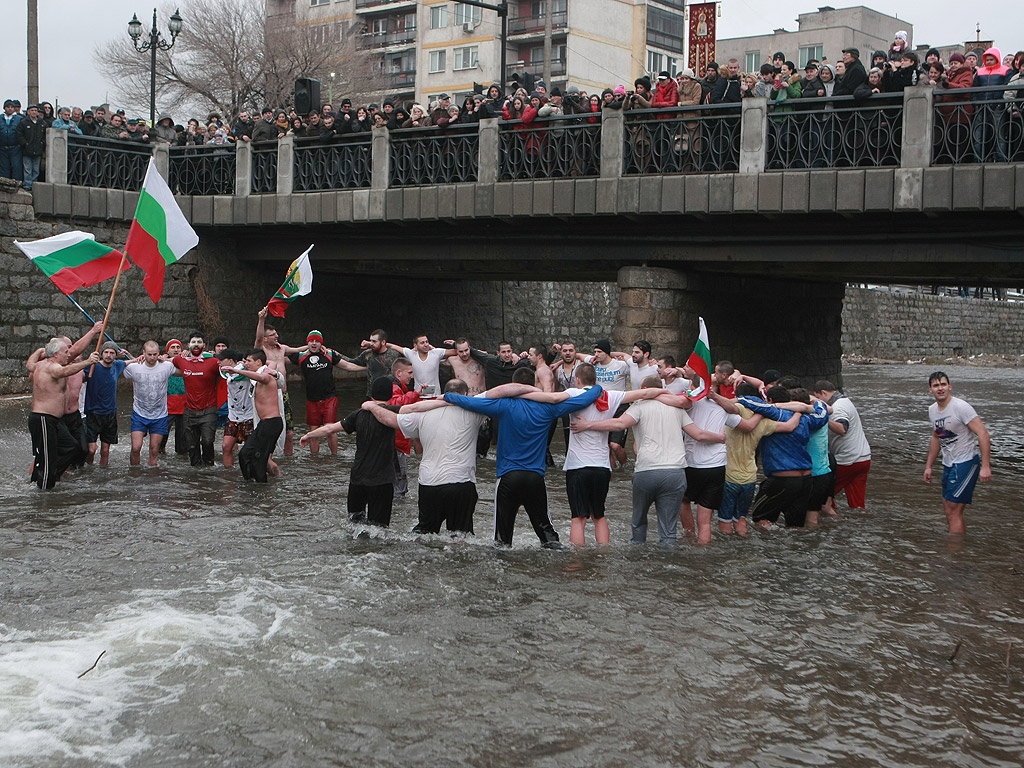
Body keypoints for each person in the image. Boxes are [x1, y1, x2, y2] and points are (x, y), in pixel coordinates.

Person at [444, 369, 605, 548]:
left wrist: (448, 397)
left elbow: (469, 402)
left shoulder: (503, 405)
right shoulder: (548, 408)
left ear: (514, 385)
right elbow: (580, 400)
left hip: (508, 477)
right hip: (535, 478)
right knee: (548, 534)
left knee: (502, 540)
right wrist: (596, 389)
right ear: (534, 385)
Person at [572, 375, 725, 546]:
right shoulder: (678, 410)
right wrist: (720, 437)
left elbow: (619, 424)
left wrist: (588, 425)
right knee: (668, 533)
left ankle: (637, 561)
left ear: (644, 391)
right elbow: (699, 434)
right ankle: (667, 565)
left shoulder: (639, 407)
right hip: (675, 473)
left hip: (647, 472)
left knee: (638, 522)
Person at [561, 364, 679, 546]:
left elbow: (550, 399)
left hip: (577, 466)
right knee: (599, 516)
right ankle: (604, 554)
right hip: (602, 467)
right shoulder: (610, 396)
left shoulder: (574, 394)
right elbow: (644, 394)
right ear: (596, 380)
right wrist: (669, 394)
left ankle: (578, 562)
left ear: (578, 380)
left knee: (579, 518)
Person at [362, 379, 487, 535]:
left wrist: (373, 407)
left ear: (443, 394)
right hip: (461, 482)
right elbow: (501, 394)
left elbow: (389, 419)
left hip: (429, 484)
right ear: (466, 394)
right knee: (460, 536)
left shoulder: (424, 413)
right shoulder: (474, 411)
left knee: (425, 533)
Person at [302, 377, 402, 526]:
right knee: (379, 529)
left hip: (357, 479)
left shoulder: (358, 414)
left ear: (371, 394)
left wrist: (308, 435)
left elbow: (330, 428)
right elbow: (415, 410)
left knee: (354, 525)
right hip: (382, 481)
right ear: (391, 395)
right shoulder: (392, 413)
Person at [923, 371, 992, 534]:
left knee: (954, 511)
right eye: (936, 385)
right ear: (930, 390)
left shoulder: (961, 407)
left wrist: (986, 466)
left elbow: (983, 433)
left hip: (966, 463)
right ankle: (957, 549)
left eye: (943, 384)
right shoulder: (932, 410)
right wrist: (929, 466)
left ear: (949, 386)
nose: (940, 388)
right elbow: (936, 437)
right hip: (949, 463)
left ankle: (954, 554)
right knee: (948, 508)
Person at [28, 339, 100, 489]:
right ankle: (44, 491)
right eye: (66, 352)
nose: (69, 354)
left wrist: (38, 350)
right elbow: (64, 371)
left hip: (53, 420)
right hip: (43, 418)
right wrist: (88, 362)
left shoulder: (39, 365)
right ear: (55, 354)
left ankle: (45, 477)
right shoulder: (52, 367)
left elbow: (29, 364)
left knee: (72, 446)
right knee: (48, 458)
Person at [289, 330, 364, 455]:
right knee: (313, 430)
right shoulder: (300, 356)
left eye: (317, 341)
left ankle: (334, 456)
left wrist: (368, 367)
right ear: (307, 343)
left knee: (330, 428)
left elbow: (348, 366)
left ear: (321, 343)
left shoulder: (329, 354)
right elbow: (280, 355)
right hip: (312, 399)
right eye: (311, 341)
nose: (314, 344)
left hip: (329, 397)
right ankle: (315, 459)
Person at [255, 307, 307, 455]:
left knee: (289, 433)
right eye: (272, 335)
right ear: (265, 339)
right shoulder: (261, 350)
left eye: (276, 333)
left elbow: (298, 350)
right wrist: (261, 319)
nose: (276, 336)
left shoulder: (281, 348)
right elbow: (258, 338)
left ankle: (287, 460)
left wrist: (314, 344)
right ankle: (267, 456)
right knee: (269, 431)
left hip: (284, 394)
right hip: (269, 396)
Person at [229, 349, 285, 483]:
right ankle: (252, 482)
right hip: (265, 423)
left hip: (271, 423)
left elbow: (263, 377)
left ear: (258, 362)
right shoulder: (261, 372)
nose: (246, 364)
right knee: (246, 455)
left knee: (258, 459)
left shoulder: (266, 375)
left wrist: (237, 371)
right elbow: (267, 364)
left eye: (249, 361)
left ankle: (260, 487)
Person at [813, 380, 871, 509]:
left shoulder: (838, 408)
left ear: (823, 393)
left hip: (847, 460)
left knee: (822, 494)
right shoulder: (846, 401)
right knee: (858, 505)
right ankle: (857, 524)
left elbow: (842, 429)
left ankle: (829, 521)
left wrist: (822, 416)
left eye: (818, 398)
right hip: (864, 458)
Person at [122, 341, 177, 466]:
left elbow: (185, 366)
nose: (152, 358)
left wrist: (168, 359)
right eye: (149, 354)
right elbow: (114, 368)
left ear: (159, 353)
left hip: (160, 415)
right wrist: (133, 360)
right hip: (139, 413)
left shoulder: (166, 366)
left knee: (154, 450)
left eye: (155, 354)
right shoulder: (134, 367)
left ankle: (152, 479)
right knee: (136, 448)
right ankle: (135, 474)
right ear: (143, 353)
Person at [171, 331, 221, 466]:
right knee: (191, 446)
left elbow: (229, 368)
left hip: (209, 409)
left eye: (199, 342)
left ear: (204, 345)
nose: (196, 345)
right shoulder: (181, 360)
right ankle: (196, 474)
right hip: (189, 411)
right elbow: (167, 362)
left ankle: (209, 469)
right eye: (193, 342)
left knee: (207, 441)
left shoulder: (213, 362)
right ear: (188, 345)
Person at [84, 341, 130, 465]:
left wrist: (127, 353)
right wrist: (88, 360)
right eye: (106, 352)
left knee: (105, 451)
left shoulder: (118, 365)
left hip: (110, 413)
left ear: (115, 355)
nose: (108, 355)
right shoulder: (92, 366)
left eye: (112, 353)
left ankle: (103, 475)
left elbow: (136, 361)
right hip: (93, 413)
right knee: (91, 450)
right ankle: (88, 470)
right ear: (101, 354)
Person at [217, 348, 254, 468]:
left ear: (231, 361)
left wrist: (244, 364)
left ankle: (251, 472)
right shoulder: (224, 373)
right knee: (226, 446)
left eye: (221, 360)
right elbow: (205, 356)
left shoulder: (246, 371)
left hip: (249, 416)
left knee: (250, 449)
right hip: (233, 416)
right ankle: (229, 474)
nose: (219, 362)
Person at [351, 328, 402, 399]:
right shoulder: (367, 354)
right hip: (371, 395)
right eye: (370, 341)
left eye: (374, 341)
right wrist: (336, 355)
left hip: (391, 394)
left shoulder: (394, 354)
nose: (371, 344)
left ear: (383, 342)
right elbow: (351, 362)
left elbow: (409, 353)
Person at [160, 339, 187, 455]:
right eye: (173, 347)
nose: (176, 350)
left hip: (185, 405)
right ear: (167, 351)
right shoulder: (161, 363)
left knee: (183, 441)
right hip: (167, 405)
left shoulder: (187, 361)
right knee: (162, 436)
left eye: (178, 347)